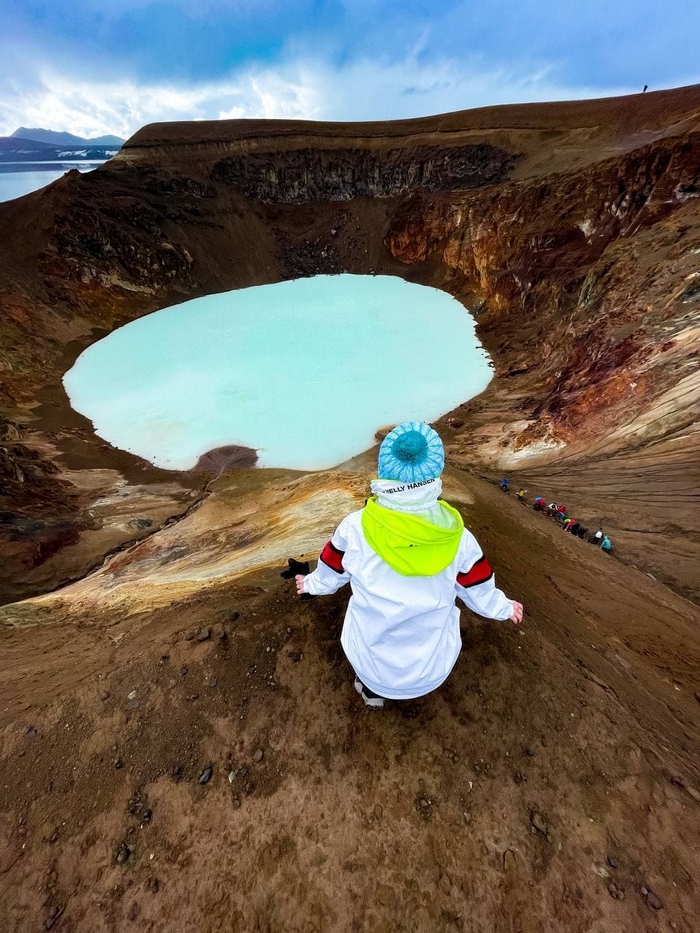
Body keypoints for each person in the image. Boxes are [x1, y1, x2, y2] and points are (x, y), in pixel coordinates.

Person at [294, 422, 524, 708]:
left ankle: (372, 694)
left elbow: (331, 573)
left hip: (371, 665)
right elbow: (480, 593)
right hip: (431, 671)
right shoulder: (460, 541)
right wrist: (504, 608)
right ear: (435, 472)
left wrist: (310, 584)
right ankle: (410, 692)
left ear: (384, 470)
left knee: (367, 656)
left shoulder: (354, 529)